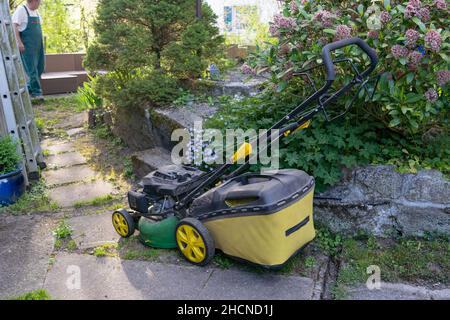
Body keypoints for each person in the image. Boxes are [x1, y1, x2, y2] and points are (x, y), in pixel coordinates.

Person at [12, 0, 45, 99]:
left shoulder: (36, 12)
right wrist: (19, 42)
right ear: (33, 1)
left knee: (40, 67)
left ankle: (28, 90)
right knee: (32, 70)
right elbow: (14, 26)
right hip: (27, 46)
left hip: (38, 46)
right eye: (39, 1)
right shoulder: (21, 10)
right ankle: (37, 93)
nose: (40, 3)